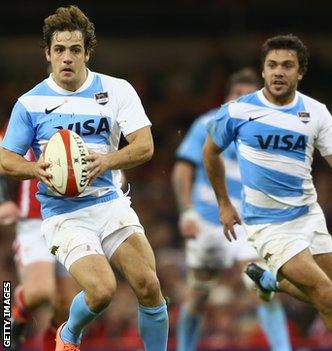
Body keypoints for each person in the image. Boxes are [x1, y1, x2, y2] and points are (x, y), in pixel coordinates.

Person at [0, 5, 168, 351]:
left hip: (109, 204)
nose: (67, 58)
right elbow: (5, 159)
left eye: (75, 49)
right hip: (62, 215)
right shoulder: (29, 104)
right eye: (59, 49)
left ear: (87, 52)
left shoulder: (117, 90)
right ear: (47, 53)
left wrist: (107, 160)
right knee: (96, 290)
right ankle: (60, 331)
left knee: (149, 285)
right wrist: (36, 170)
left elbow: (145, 145)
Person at [203, 34, 332, 351]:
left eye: (287, 66)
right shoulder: (236, 111)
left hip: (308, 215)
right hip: (267, 224)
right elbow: (210, 153)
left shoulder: (317, 112)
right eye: (272, 65)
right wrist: (224, 203)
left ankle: (270, 281)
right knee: (325, 294)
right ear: (263, 71)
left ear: (300, 73)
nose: (279, 72)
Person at [173, 68, 291, 351]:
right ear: (226, 98)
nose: (241, 101)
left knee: (262, 287)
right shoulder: (206, 124)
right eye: (236, 95)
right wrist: (186, 211)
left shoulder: (266, 131)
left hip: (246, 223)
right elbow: (182, 169)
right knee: (198, 295)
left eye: (248, 97)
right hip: (205, 221)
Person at [4, 148, 80, 351]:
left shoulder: (86, 118)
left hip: (72, 221)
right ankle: (18, 311)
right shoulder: (25, 118)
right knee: (39, 292)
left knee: (68, 306)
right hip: (34, 222)